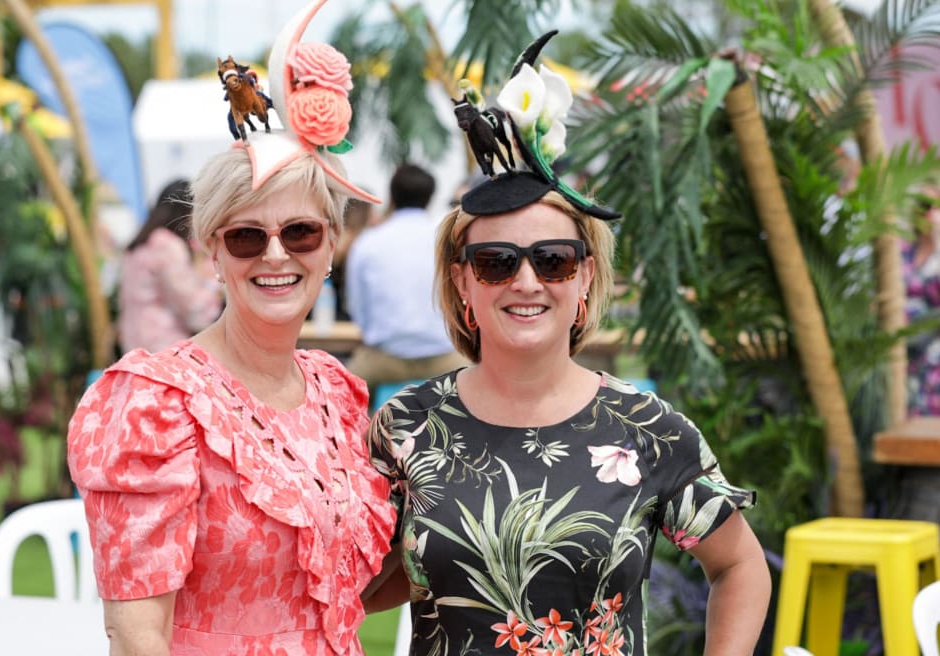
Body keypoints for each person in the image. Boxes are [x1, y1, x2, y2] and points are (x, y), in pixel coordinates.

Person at [363, 32, 771, 656]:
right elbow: (363, 582)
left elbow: (740, 565)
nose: (526, 281)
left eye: (552, 260)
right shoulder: (406, 425)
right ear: (462, 281)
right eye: (497, 261)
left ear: (583, 278)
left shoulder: (646, 430)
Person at [66, 2, 395, 652]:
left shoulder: (337, 393)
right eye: (248, 237)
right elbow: (136, 635)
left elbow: (341, 588)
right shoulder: (156, 406)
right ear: (212, 252)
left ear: (331, 247)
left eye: (300, 232)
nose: (276, 255)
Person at [345, 163, 467, 400]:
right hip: (444, 359)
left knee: (344, 395)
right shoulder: (447, 238)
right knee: (481, 379)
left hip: (385, 359)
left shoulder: (368, 242)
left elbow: (357, 310)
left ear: (392, 195)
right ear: (431, 196)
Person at [116, 179, 223, 354]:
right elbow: (191, 305)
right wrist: (215, 290)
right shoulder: (166, 246)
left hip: (133, 345)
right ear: (185, 211)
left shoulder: (137, 245)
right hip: (163, 345)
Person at [904, 184, 940, 416]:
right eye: (920, 207)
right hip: (903, 356)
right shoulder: (902, 253)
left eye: (931, 207)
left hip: (934, 356)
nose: (925, 214)